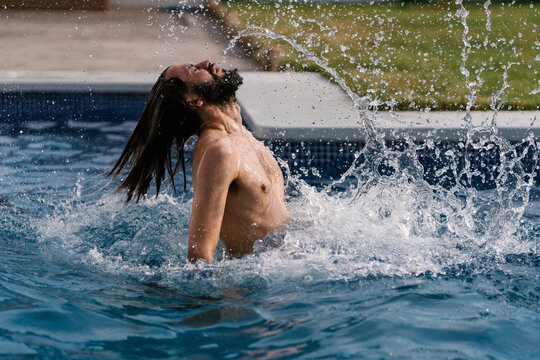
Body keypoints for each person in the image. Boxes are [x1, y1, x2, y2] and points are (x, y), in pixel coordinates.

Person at [108, 60, 289, 262]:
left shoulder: (243, 135)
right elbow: (199, 257)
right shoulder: (220, 152)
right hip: (259, 284)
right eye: (195, 70)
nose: (206, 63)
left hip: (287, 266)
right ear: (194, 100)